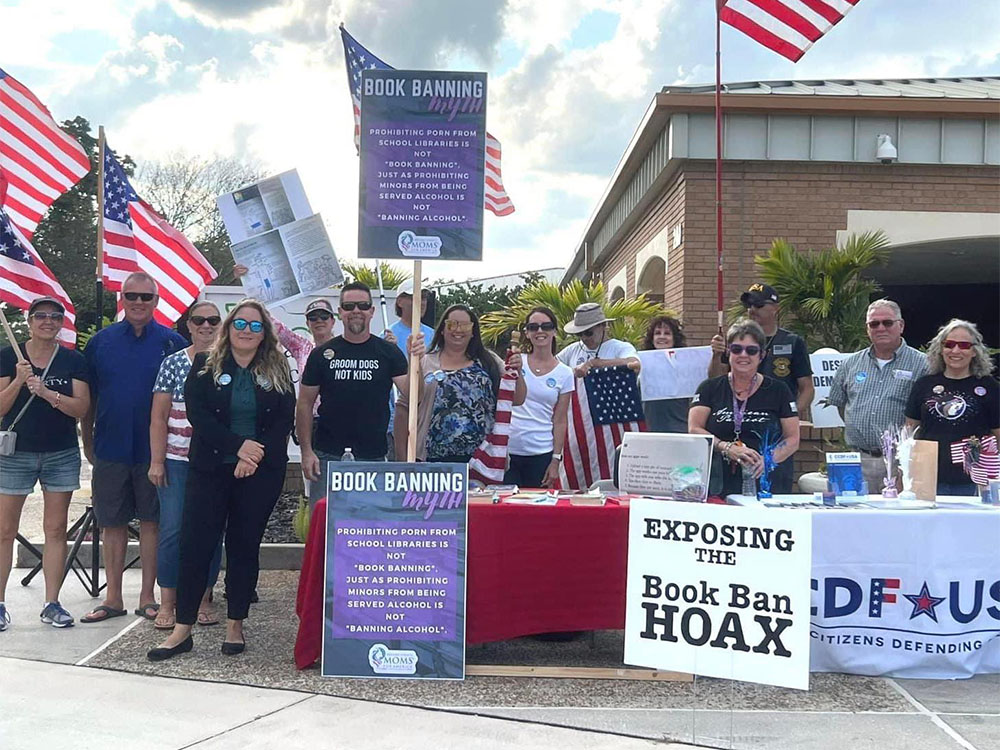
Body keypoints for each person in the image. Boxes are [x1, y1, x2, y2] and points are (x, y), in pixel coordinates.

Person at [148, 299, 295, 660]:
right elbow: (200, 416)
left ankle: (235, 625)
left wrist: (253, 455)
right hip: (210, 468)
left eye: (255, 326)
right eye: (240, 324)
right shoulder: (204, 365)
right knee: (196, 545)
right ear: (228, 329)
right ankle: (182, 630)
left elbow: (283, 420)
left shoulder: (278, 368)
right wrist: (239, 447)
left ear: (265, 334)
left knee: (244, 547)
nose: (247, 331)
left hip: (259, 473)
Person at [81, 273, 187, 624]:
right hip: (111, 446)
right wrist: (87, 439)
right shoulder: (101, 343)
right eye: (132, 295)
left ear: (156, 301)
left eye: (146, 296)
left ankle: (147, 596)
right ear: (121, 298)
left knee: (151, 521)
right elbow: (88, 397)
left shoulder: (173, 343)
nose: (139, 302)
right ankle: (112, 597)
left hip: (157, 451)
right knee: (110, 522)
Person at [0, 297, 90, 631]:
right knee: (4, 531)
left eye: (55, 317)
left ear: (61, 322)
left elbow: (80, 408)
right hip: (15, 453)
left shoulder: (72, 360)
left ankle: (52, 603)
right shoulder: (8, 356)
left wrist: (48, 394)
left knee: (55, 530)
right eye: (41, 316)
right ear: (29, 320)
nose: (48, 322)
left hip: (60, 453)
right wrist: (18, 381)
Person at [298, 282, 409, 507]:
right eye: (349, 306)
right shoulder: (321, 354)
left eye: (362, 305)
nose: (356, 311)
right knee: (325, 527)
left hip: (373, 455)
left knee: (369, 527)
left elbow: (414, 395)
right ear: (340, 313)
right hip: (327, 455)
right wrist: (306, 451)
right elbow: (304, 404)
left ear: (371, 311)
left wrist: (419, 361)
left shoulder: (389, 353)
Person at [148, 301, 223, 630]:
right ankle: (168, 601)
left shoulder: (230, 363)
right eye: (199, 320)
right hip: (177, 461)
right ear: (188, 325)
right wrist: (156, 460)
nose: (206, 326)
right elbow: (159, 417)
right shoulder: (173, 363)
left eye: (213, 320)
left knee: (212, 532)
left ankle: (204, 598)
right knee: (173, 530)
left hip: (216, 463)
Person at [397, 304, 525, 463]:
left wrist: (518, 371)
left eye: (465, 325)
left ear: (473, 332)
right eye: (452, 324)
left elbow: (517, 399)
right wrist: (413, 359)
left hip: (482, 460)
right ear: (442, 330)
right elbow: (408, 401)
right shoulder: (425, 361)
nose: (458, 330)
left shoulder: (489, 361)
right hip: (432, 459)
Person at [689, 320, 800, 498]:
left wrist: (768, 460)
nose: (743, 355)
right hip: (719, 485)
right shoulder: (709, 388)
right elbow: (694, 429)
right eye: (736, 349)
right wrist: (727, 448)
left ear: (762, 355)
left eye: (751, 350)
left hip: (767, 483)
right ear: (728, 351)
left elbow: (793, 438)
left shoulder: (779, 390)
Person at [827, 299, 928, 490]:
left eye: (887, 322)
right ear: (867, 329)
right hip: (857, 459)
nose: (880, 328)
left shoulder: (923, 365)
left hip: (899, 462)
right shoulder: (849, 364)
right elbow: (842, 407)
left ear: (901, 326)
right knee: (852, 518)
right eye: (874, 324)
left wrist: (907, 466)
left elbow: (925, 417)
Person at [905, 320, 999, 496]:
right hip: (929, 478)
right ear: (940, 349)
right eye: (949, 344)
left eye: (964, 345)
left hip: (974, 481)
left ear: (974, 351)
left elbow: (998, 436)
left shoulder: (990, 387)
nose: (956, 351)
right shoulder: (923, 385)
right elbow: (910, 432)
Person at [708, 284, 814, 416]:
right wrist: (716, 356)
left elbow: (807, 388)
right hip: (738, 416)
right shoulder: (736, 340)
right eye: (749, 304)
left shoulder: (792, 342)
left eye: (758, 304)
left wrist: (791, 415)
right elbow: (715, 379)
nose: (752, 309)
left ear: (775, 308)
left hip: (777, 417)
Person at [504, 307, 574, 487]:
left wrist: (556, 460)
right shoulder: (516, 361)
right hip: (509, 451)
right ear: (526, 333)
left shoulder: (565, 373)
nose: (540, 331)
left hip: (541, 452)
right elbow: (504, 401)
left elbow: (560, 420)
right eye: (533, 327)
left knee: (535, 510)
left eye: (546, 326)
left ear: (554, 332)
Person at [385, 279, 434, 460]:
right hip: (396, 421)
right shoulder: (388, 335)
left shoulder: (434, 335)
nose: (421, 302)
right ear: (400, 301)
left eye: (424, 298)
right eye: (415, 297)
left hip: (426, 419)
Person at [557, 302, 641, 377]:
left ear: (603, 325)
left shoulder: (621, 348)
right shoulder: (572, 350)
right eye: (579, 334)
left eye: (588, 333)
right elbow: (550, 367)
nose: (584, 338)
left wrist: (595, 363)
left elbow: (635, 364)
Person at [640, 314, 691, 433]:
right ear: (652, 338)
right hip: (649, 430)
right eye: (657, 333)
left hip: (680, 429)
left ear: (675, 338)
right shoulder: (640, 362)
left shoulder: (687, 363)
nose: (662, 337)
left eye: (667, 333)